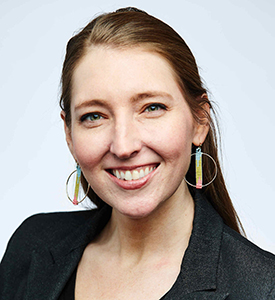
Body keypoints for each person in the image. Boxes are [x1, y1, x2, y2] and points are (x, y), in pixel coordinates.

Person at [0, 7, 274, 300]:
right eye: (94, 116)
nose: (123, 146)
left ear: (199, 121)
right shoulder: (31, 247)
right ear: (69, 133)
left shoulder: (261, 288)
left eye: (152, 108)